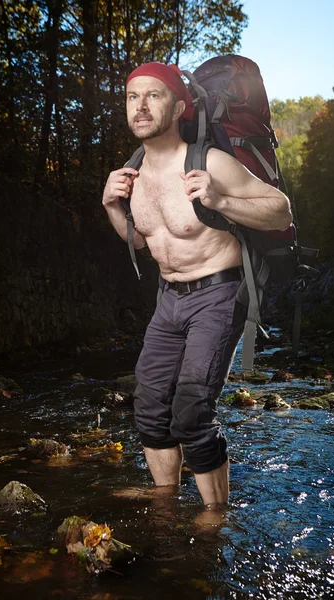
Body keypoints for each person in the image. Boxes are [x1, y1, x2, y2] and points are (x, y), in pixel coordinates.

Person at [102, 62, 292, 508]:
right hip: (168, 299)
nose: (142, 106)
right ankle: (165, 501)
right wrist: (112, 206)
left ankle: (215, 515)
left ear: (179, 105)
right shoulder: (130, 177)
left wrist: (220, 200)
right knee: (149, 405)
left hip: (219, 294)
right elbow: (146, 244)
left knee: (190, 410)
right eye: (133, 97)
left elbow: (281, 211)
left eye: (154, 95)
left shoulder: (208, 162)